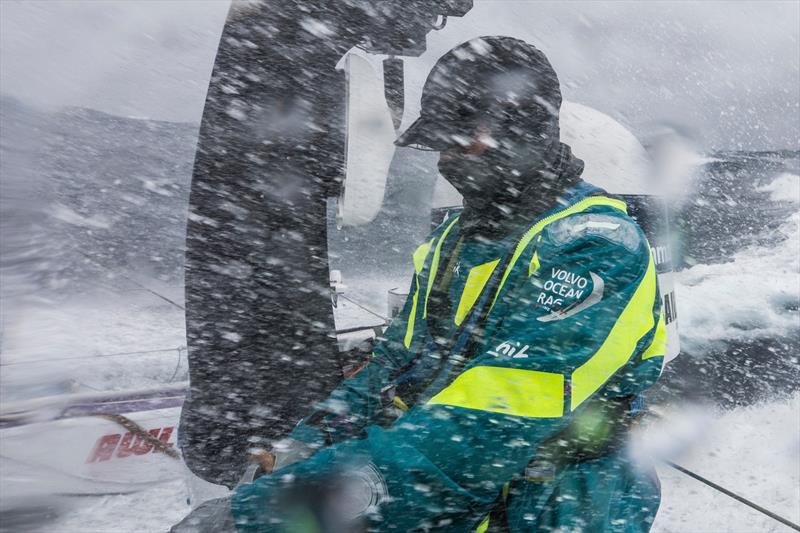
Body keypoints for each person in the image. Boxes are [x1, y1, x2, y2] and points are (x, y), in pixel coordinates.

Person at [184, 35, 666, 533]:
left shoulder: (598, 247)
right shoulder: (456, 239)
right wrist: (303, 446)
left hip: (555, 511)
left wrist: (267, 512)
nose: (446, 161)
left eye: (462, 142)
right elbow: (392, 368)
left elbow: (482, 430)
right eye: (440, 145)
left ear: (523, 131)